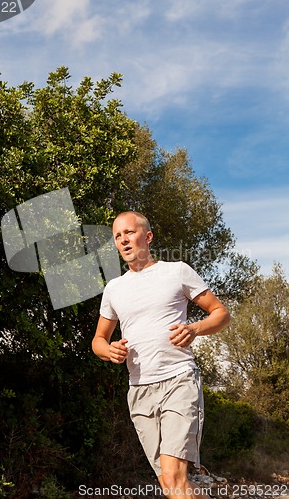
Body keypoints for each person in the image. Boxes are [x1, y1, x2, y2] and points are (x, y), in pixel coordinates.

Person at [92, 211, 230, 499]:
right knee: (171, 485)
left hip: (179, 380)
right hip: (139, 390)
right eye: (118, 236)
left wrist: (194, 329)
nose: (123, 239)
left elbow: (221, 314)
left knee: (173, 476)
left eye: (129, 232)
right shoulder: (114, 289)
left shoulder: (176, 271)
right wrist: (109, 351)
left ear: (148, 236)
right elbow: (99, 341)